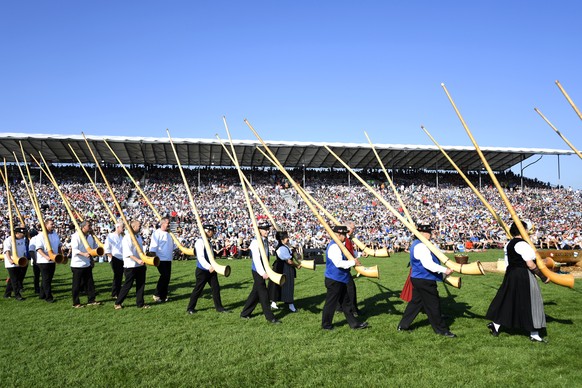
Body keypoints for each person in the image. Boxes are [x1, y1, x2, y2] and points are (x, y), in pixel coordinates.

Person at [486, 220, 549, 342]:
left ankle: (496, 325)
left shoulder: (509, 244)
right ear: (521, 230)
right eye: (525, 229)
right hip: (523, 275)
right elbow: (530, 264)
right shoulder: (523, 244)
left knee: (509, 300)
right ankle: (534, 333)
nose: (527, 231)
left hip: (511, 274)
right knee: (532, 301)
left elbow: (508, 262)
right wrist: (543, 277)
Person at [397, 224, 456, 338]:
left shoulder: (420, 244)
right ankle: (441, 330)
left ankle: (403, 325)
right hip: (425, 279)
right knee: (433, 305)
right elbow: (428, 264)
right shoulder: (421, 246)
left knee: (415, 303)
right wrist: (445, 270)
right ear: (423, 233)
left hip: (419, 278)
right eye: (429, 232)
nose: (431, 234)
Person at [321, 225, 368, 330]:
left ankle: (354, 324)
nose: (345, 236)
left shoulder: (340, 245)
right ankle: (326, 325)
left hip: (342, 278)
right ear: (338, 235)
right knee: (331, 303)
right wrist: (353, 262)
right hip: (334, 279)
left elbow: (348, 254)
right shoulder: (334, 246)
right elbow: (338, 263)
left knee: (346, 303)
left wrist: (359, 254)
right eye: (343, 234)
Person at [240, 221, 281, 324]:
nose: (267, 231)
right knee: (264, 294)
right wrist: (263, 273)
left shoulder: (265, 240)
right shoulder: (255, 242)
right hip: (258, 271)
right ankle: (270, 317)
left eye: (268, 229)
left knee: (255, 293)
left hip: (264, 270)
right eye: (265, 229)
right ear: (259, 230)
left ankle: (245, 313)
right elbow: (257, 260)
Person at [186, 224, 229, 314]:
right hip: (203, 270)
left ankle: (219, 307)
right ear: (208, 231)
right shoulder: (200, 242)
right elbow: (200, 257)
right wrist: (208, 266)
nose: (213, 233)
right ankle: (190, 308)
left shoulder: (208, 241)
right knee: (198, 289)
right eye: (212, 231)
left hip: (212, 269)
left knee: (216, 288)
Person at [115, 220, 149, 309]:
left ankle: (140, 303)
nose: (140, 227)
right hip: (130, 266)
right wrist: (137, 260)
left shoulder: (138, 237)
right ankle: (118, 303)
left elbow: (140, 250)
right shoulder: (127, 238)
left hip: (140, 265)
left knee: (141, 285)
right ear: (133, 227)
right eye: (139, 226)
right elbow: (128, 253)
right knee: (128, 285)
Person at [70, 221, 101, 308]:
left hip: (87, 263)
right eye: (89, 225)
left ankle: (91, 299)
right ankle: (76, 303)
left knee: (90, 283)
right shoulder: (75, 236)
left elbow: (93, 248)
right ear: (83, 227)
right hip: (77, 264)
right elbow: (75, 249)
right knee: (76, 284)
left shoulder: (90, 237)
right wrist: (84, 254)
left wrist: (91, 258)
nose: (90, 227)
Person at [268, 230, 299, 312]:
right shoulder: (281, 248)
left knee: (280, 285)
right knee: (285, 285)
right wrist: (296, 265)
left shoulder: (285, 246)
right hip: (284, 268)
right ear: (282, 239)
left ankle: (277, 303)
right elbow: (288, 261)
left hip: (282, 267)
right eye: (286, 237)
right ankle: (289, 305)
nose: (288, 238)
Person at [149, 217, 176, 303]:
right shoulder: (157, 233)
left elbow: (172, 246)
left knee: (167, 277)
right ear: (162, 224)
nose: (169, 225)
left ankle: (163, 296)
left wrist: (179, 248)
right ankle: (157, 294)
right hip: (160, 259)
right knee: (164, 276)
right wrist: (154, 258)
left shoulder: (169, 234)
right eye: (168, 223)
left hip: (168, 259)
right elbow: (153, 247)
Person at [336, 221, 361, 316]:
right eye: (353, 229)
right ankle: (353, 309)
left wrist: (360, 254)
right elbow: (347, 254)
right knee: (350, 289)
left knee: (340, 289)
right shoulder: (344, 240)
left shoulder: (347, 240)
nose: (353, 231)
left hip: (343, 267)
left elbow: (351, 252)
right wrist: (354, 262)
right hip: (342, 267)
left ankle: (339, 307)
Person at [35, 219, 61, 303]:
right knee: (46, 279)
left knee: (48, 278)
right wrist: (46, 257)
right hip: (44, 261)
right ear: (46, 225)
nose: (53, 225)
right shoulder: (41, 235)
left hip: (53, 260)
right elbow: (38, 249)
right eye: (51, 224)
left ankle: (42, 294)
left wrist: (60, 254)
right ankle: (48, 296)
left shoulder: (55, 234)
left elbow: (59, 245)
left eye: (53, 224)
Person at [3, 227, 28, 301]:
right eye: (22, 233)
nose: (23, 235)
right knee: (15, 280)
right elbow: (7, 250)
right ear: (16, 233)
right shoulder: (9, 240)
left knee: (14, 279)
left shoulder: (22, 240)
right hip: (12, 263)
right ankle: (17, 295)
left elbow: (23, 250)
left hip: (20, 261)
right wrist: (10, 259)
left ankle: (7, 294)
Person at [104, 221, 125, 299]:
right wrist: (112, 258)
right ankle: (115, 293)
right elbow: (107, 248)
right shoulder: (110, 236)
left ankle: (117, 292)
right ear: (118, 227)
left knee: (119, 275)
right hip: (114, 258)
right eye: (122, 227)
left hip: (122, 258)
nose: (123, 228)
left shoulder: (122, 237)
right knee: (117, 275)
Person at [28, 228, 41, 294]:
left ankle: (40, 288)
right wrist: (35, 260)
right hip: (37, 260)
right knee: (37, 276)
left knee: (39, 276)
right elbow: (31, 250)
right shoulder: (34, 239)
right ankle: (37, 288)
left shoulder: (34, 239)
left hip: (41, 260)